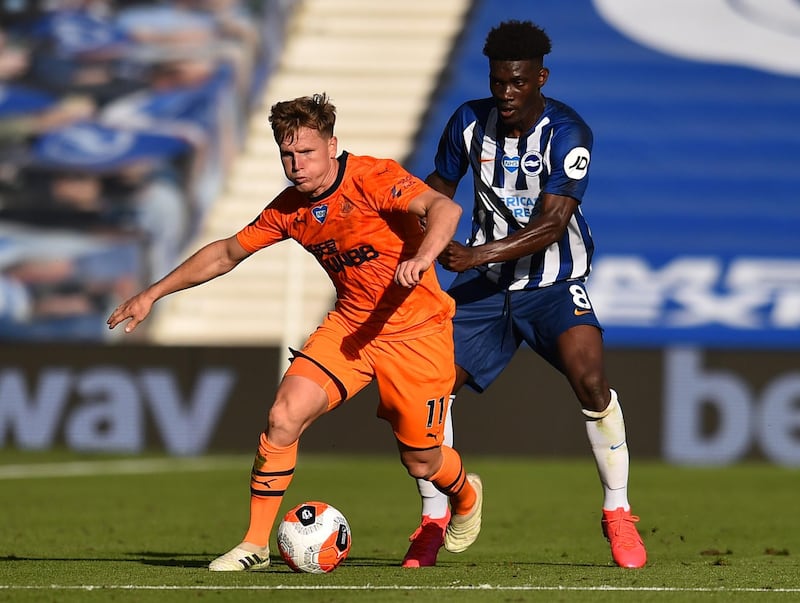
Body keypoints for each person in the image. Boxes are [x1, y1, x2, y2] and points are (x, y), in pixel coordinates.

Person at [106, 93, 483, 571]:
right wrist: (152, 294)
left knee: (423, 463)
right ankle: (255, 544)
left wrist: (423, 258)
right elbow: (225, 254)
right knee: (283, 416)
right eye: (287, 154)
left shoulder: (372, 177)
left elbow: (444, 209)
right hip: (350, 329)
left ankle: (466, 494)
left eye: (306, 152)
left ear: (332, 145)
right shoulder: (289, 209)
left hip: (416, 332)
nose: (297, 164)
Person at [401, 20, 647, 569]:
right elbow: (434, 188)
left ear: (541, 77)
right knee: (428, 392)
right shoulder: (467, 121)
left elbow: (554, 224)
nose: (505, 94)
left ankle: (617, 512)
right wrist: (414, 228)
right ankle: (435, 517)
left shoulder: (569, 133)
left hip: (553, 283)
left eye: (516, 83)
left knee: (591, 379)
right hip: (484, 290)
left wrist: (473, 254)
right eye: (497, 82)